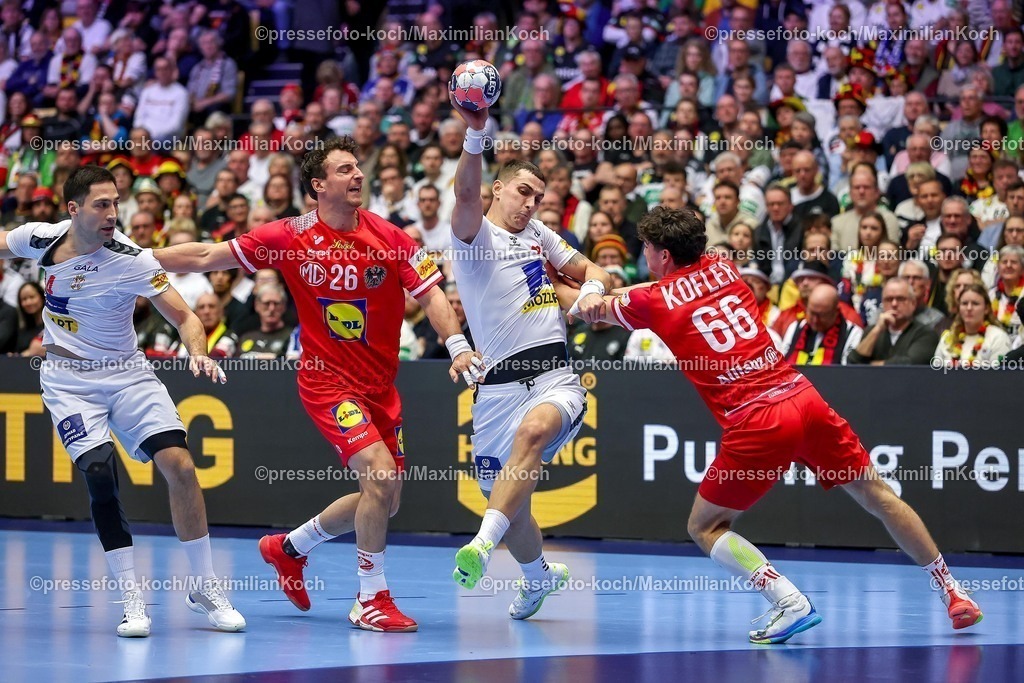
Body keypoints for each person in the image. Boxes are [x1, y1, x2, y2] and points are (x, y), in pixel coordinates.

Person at [548, 205, 981, 643]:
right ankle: (954, 591)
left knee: (704, 527)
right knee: (877, 495)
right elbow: (658, 286)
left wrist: (542, 272)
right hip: (802, 397)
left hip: (756, 419)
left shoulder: (655, 302)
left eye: (646, 247)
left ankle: (788, 601)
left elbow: (590, 310)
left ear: (661, 254)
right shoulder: (723, 265)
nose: (644, 254)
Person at [152, 136, 482, 633]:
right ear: (317, 186)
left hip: (381, 388)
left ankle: (288, 548)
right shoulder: (289, 236)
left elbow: (431, 293)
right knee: (378, 474)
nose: (358, 177)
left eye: (359, 169)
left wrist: (457, 345)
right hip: (326, 383)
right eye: (345, 170)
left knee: (386, 496)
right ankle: (371, 598)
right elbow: (204, 255)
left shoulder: (391, 237)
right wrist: (137, 260)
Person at [0, 166, 245, 637]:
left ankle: (206, 586)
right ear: (73, 210)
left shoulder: (132, 259)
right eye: (102, 204)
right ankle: (132, 599)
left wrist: (198, 353)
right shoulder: (40, 239)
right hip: (69, 381)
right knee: (99, 473)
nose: (114, 212)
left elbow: (186, 317)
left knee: (181, 465)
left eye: (116, 202)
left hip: (129, 375)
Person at [447, 91, 612, 620]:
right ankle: (538, 576)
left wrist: (588, 292)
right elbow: (465, 192)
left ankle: (478, 545)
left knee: (534, 434)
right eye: (522, 192)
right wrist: (476, 133)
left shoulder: (539, 232)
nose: (531, 204)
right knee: (513, 508)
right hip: (494, 390)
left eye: (538, 197)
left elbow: (595, 271)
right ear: (498, 189)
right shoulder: (473, 236)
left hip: (554, 377)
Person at [847, 278, 940, 365]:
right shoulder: (871, 331)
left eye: (900, 299)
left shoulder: (926, 333)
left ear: (913, 304)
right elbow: (853, 362)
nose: (894, 304)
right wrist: (877, 329)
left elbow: (910, 363)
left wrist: (870, 366)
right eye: (889, 299)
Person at [933, 283, 1012, 367]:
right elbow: (935, 373)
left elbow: (999, 377)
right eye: (964, 303)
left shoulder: (998, 337)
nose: (969, 308)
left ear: (986, 308)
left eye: (975, 303)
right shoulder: (948, 338)